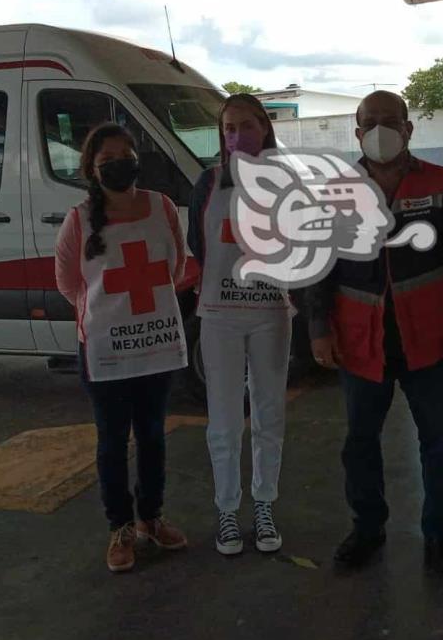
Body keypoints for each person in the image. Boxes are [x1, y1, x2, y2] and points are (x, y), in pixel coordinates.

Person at [309, 90, 443, 576]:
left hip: (428, 338)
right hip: (360, 341)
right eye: (371, 122)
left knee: (439, 443)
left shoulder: (440, 183)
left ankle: (439, 533)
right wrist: (318, 328)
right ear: (358, 132)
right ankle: (367, 528)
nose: (381, 129)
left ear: (408, 129)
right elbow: (319, 266)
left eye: (392, 120)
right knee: (360, 442)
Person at [55, 122, 190, 573]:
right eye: (107, 160)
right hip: (105, 350)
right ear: (92, 171)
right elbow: (69, 284)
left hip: (154, 345)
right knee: (112, 441)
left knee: (152, 435)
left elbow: (177, 265)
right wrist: (113, 316)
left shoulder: (162, 207)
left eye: (125, 156)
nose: (119, 165)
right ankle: (121, 527)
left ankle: (152, 517)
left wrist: (139, 316)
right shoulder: (79, 220)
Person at [187, 93, 292, 557]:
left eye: (246, 126)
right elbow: (198, 244)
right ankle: (227, 511)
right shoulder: (208, 183)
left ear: (264, 128)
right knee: (224, 420)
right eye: (228, 128)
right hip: (220, 317)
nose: (236, 137)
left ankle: (264, 504)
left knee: (270, 415)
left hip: (271, 314)